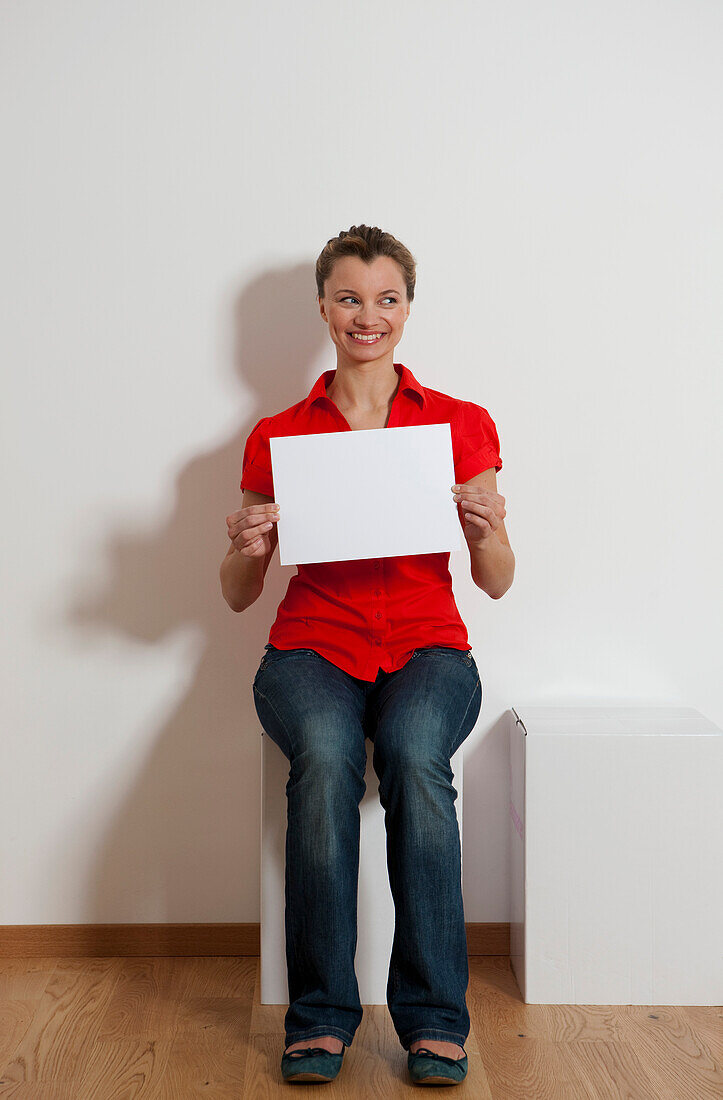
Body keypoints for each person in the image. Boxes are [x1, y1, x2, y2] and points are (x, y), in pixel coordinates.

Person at [220, 224, 515, 1085]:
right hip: (313, 648)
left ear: (407, 309)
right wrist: (246, 539)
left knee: (418, 760)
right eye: (349, 297)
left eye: (386, 299)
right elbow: (239, 591)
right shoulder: (279, 434)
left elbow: (495, 580)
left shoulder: (458, 423)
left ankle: (432, 1019)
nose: (367, 315)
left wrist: (487, 530)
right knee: (322, 762)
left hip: (426, 645)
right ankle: (318, 1017)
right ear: (322, 306)